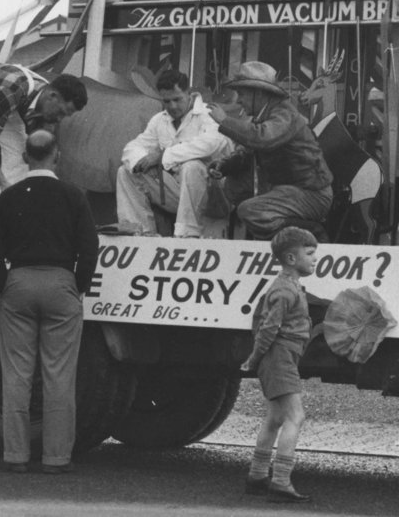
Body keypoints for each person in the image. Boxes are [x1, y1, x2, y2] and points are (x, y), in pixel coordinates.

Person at [0, 129, 99, 474]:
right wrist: (77, 285)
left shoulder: (11, 196)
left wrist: (4, 284)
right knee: (59, 376)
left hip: (18, 282)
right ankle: (56, 457)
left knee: (17, 375)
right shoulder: (73, 195)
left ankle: (15, 455)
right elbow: (89, 247)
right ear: (57, 155)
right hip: (61, 282)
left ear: (23, 156)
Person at [206, 61, 333, 240]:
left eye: (241, 94)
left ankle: (310, 234)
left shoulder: (284, 113)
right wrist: (224, 166)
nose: (238, 100)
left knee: (251, 210)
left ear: (258, 93)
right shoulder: (264, 116)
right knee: (236, 189)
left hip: (311, 194)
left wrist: (225, 121)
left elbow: (264, 138)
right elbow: (249, 152)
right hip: (290, 190)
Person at [242, 226, 317, 503]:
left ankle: (257, 476)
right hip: (280, 356)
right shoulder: (285, 290)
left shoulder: (290, 285)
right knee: (295, 417)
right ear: (291, 259)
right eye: (309, 254)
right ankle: (281, 481)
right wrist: (254, 358)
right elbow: (268, 328)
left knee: (274, 418)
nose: (314, 259)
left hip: (280, 356)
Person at [116, 69, 233, 238]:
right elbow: (132, 147)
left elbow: (210, 144)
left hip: (214, 196)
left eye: (177, 99)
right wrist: (143, 162)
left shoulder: (209, 114)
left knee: (192, 166)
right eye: (167, 101)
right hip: (180, 195)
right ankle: (139, 233)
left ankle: (188, 234)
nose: (172, 106)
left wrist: (162, 157)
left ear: (189, 94)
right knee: (126, 171)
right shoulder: (159, 120)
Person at [0, 63, 88, 194]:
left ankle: (13, 209)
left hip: (8, 104)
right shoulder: (13, 89)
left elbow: (39, 152)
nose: (59, 119)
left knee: (20, 158)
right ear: (52, 96)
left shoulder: (47, 101)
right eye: (61, 112)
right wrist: (3, 183)